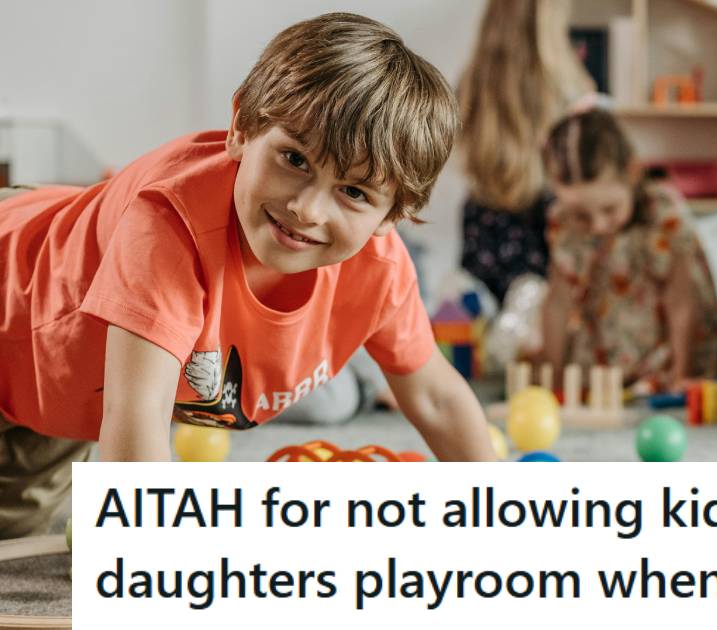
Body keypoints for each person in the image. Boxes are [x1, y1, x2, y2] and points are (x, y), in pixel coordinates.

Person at [0, 13, 496, 539]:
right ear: (241, 127)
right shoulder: (169, 226)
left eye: (354, 193)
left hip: (52, 391)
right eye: (294, 159)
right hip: (14, 283)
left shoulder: (380, 270)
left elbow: (436, 398)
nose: (307, 208)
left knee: (16, 529)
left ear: (393, 215)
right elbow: (138, 423)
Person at [539, 109, 717, 388]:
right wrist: (552, 377)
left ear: (633, 173)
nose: (598, 226)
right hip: (604, 353)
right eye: (581, 215)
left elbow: (682, 302)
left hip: (665, 351)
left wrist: (681, 375)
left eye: (609, 209)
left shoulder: (662, 212)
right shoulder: (563, 222)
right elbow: (557, 303)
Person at [456, 0, 595, 303]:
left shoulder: (473, 81)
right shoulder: (570, 87)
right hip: (545, 223)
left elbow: (465, 154)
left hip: (485, 222)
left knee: (485, 331)